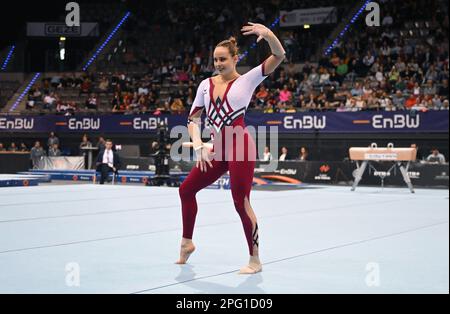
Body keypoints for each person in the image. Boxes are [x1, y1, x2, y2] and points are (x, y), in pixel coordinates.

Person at [177, 22, 285, 274]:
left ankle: (255, 260)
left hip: (240, 147)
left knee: (240, 202)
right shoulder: (205, 85)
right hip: (217, 148)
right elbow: (193, 119)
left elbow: (279, 55)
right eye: (215, 60)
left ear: (235, 59)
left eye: (223, 59)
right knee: (186, 190)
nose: (218, 64)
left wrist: (269, 35)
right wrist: (197, 144)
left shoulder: (248, 80)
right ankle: (187, 242)